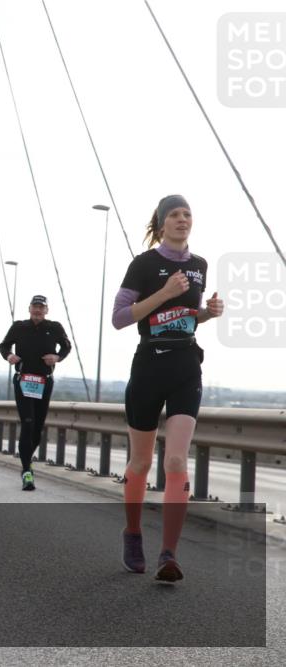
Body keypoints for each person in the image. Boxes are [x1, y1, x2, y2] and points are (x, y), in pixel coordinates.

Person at [112, 195, 222, 583]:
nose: (182, 219)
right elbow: (120, 318)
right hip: (149, 367)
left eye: (187, 214)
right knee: (141, 463)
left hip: (186, 367)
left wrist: (206, 313)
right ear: (160, 223)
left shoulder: (199, 266)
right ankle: (133, 534)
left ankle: (169, 554)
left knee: (176, 461)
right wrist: (163, 294)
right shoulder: (143, 265)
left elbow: (185, 318)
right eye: (174, 214)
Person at [0, 295, 71, 490]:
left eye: (41, 307)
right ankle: (27, 470)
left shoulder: (55, 327)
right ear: (29, 308)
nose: (37, 310)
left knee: (37, 428)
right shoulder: (19, 326)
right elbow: (3, 345)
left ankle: (26, 460)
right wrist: (9, 355)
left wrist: (57, 357)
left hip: (44, 382)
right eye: (35, 307)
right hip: (23, 380)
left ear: (47, 310)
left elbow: (66, 346)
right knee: (28, 423)